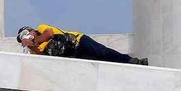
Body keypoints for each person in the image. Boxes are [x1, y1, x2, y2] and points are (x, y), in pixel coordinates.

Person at [17, 24, 148, 65]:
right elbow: (44, 57)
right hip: (73, 55)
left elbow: (49, 34)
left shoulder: (41, 28)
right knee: (99, 62)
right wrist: (32, 47)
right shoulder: (35, 49)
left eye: (27, 33)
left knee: (103, 52)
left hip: (79, 42)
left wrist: (33, 41)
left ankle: (132, 61)